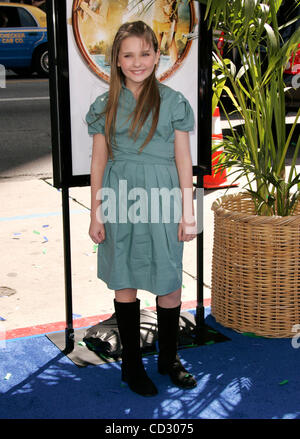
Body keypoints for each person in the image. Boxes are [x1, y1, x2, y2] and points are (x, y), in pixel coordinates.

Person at [86, 21, 197, 397]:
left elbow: (184, 161)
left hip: (164, 199)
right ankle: (132, 366)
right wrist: (95, 212)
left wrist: (188, 211)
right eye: (128, 54)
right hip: (121, 200)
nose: (138, 62)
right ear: (116, 60)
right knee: (125, 279)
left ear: (156, 56)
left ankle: (169, 359)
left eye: (145, 53)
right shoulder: (104, 106)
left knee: (168, 280)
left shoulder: (174, 102)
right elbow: (98, 163)